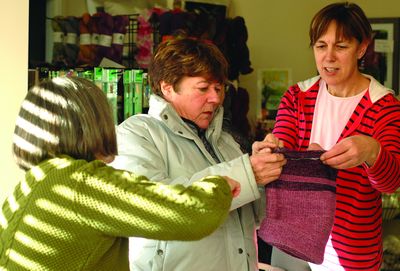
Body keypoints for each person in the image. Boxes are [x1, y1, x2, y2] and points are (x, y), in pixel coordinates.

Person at [0, 76, 242, 271]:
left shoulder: (33, 182)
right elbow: (190, 215)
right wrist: (220, 187)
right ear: (94, 124)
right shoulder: (82, 183)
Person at [111, 37, 286, 271]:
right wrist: (249, 173)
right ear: (168, 87)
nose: (215, 98)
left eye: (219, 87)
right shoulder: (137, 134)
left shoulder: (225, 141)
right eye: (203, 88)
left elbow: (253, 219)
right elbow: (152, 208)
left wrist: (270, 176)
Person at [270, 2, 400, 271]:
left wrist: (372, 151)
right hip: (294, 238)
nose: (328, 57)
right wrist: (272, 150)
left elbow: (391, 182)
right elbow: (281, 141)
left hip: (352, 249)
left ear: (361, 48)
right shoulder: (297, 97)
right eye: (320, 46)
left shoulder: (384, 105)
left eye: (340, 47)